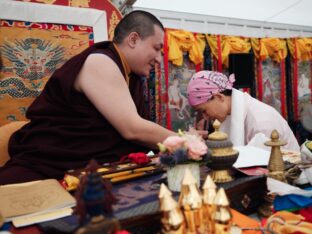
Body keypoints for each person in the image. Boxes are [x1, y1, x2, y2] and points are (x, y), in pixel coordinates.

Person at [0, 10, 176, 185]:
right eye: (157, 48)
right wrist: (184, 142)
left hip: (93, 168)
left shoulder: (131, 76)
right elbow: (132, 129)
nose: (160, 59)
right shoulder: (101, 62)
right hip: (49, 165)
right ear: (133, 40)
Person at [187, 70, 300, 151]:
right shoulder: (228, 113)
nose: (205, 117)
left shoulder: (260, 122)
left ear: (219, 97)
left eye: (204, 111)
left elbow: (266, 169)